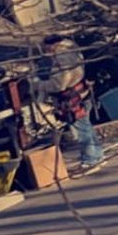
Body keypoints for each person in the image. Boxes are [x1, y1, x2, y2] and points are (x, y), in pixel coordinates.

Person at [42, 36, 105, 175]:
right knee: (86, 126)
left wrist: (38, 86)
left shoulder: (62, 57)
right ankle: (97, 154)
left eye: (46, 48)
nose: (45, 51)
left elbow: (59, 84)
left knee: (82, 129)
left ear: (53, 45)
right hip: (81, 91)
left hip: (72, 97)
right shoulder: (72, 49)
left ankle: (90, 160)